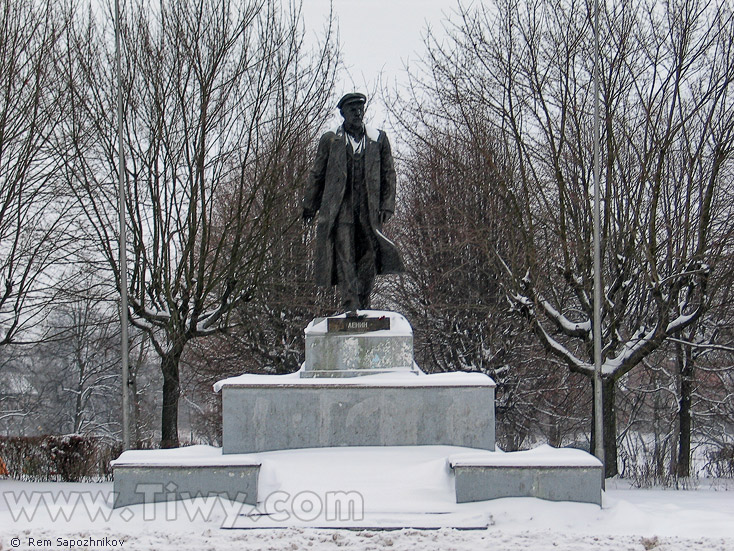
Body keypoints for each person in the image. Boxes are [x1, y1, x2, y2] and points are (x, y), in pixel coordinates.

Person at [303, 92, 404, 313]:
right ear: (343, 113)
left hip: (369, 211)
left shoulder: (378, 139)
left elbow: (389, 173)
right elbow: (317, 173)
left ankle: (363, 301)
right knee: (345, 256)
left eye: (360, 109)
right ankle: (349, 304)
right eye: (352, 110)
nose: (358, 113)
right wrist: (309, 205)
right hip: (340, 211)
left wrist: (387, 204)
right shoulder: (331, 140)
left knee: (368, 257)